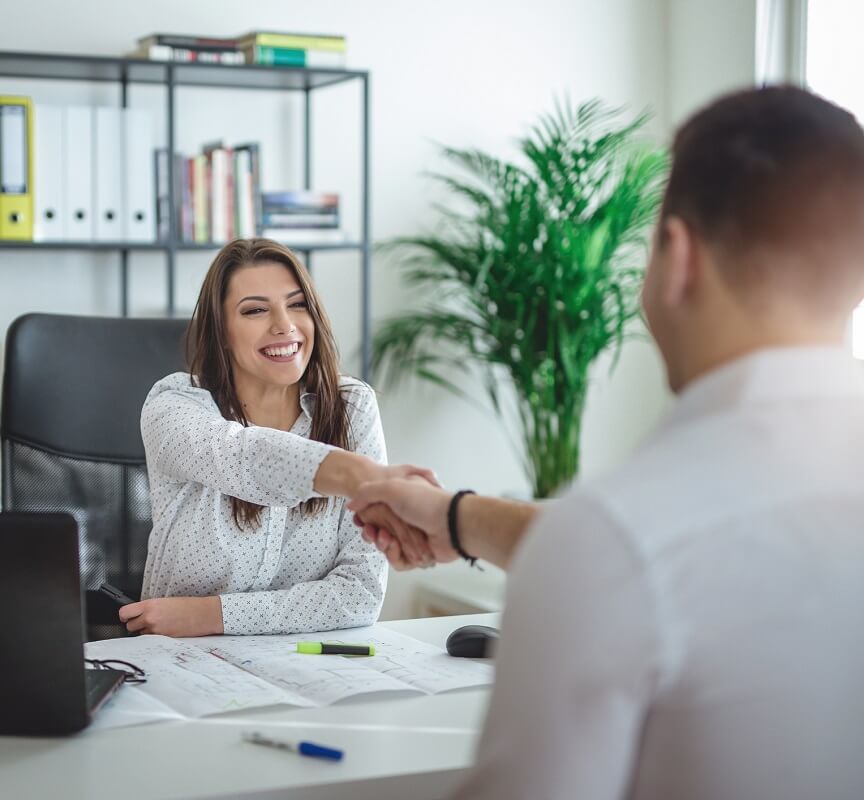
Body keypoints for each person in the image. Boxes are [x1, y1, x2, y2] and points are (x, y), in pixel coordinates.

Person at [349, 86, 864, 799]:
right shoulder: (631, 536)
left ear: (677, 256)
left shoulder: (621, 534)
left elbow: (629, 555)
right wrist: (457, 516)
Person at [118, 238, 434, 638]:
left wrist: (211, 615)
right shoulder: (174, 406)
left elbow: (359, 594)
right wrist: (359, 475)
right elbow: (243, 457)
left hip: (308, 666)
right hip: (182, 663)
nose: (284, 325)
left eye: (297, 304)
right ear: (222, 330)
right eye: (254, 310)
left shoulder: (351, 405)